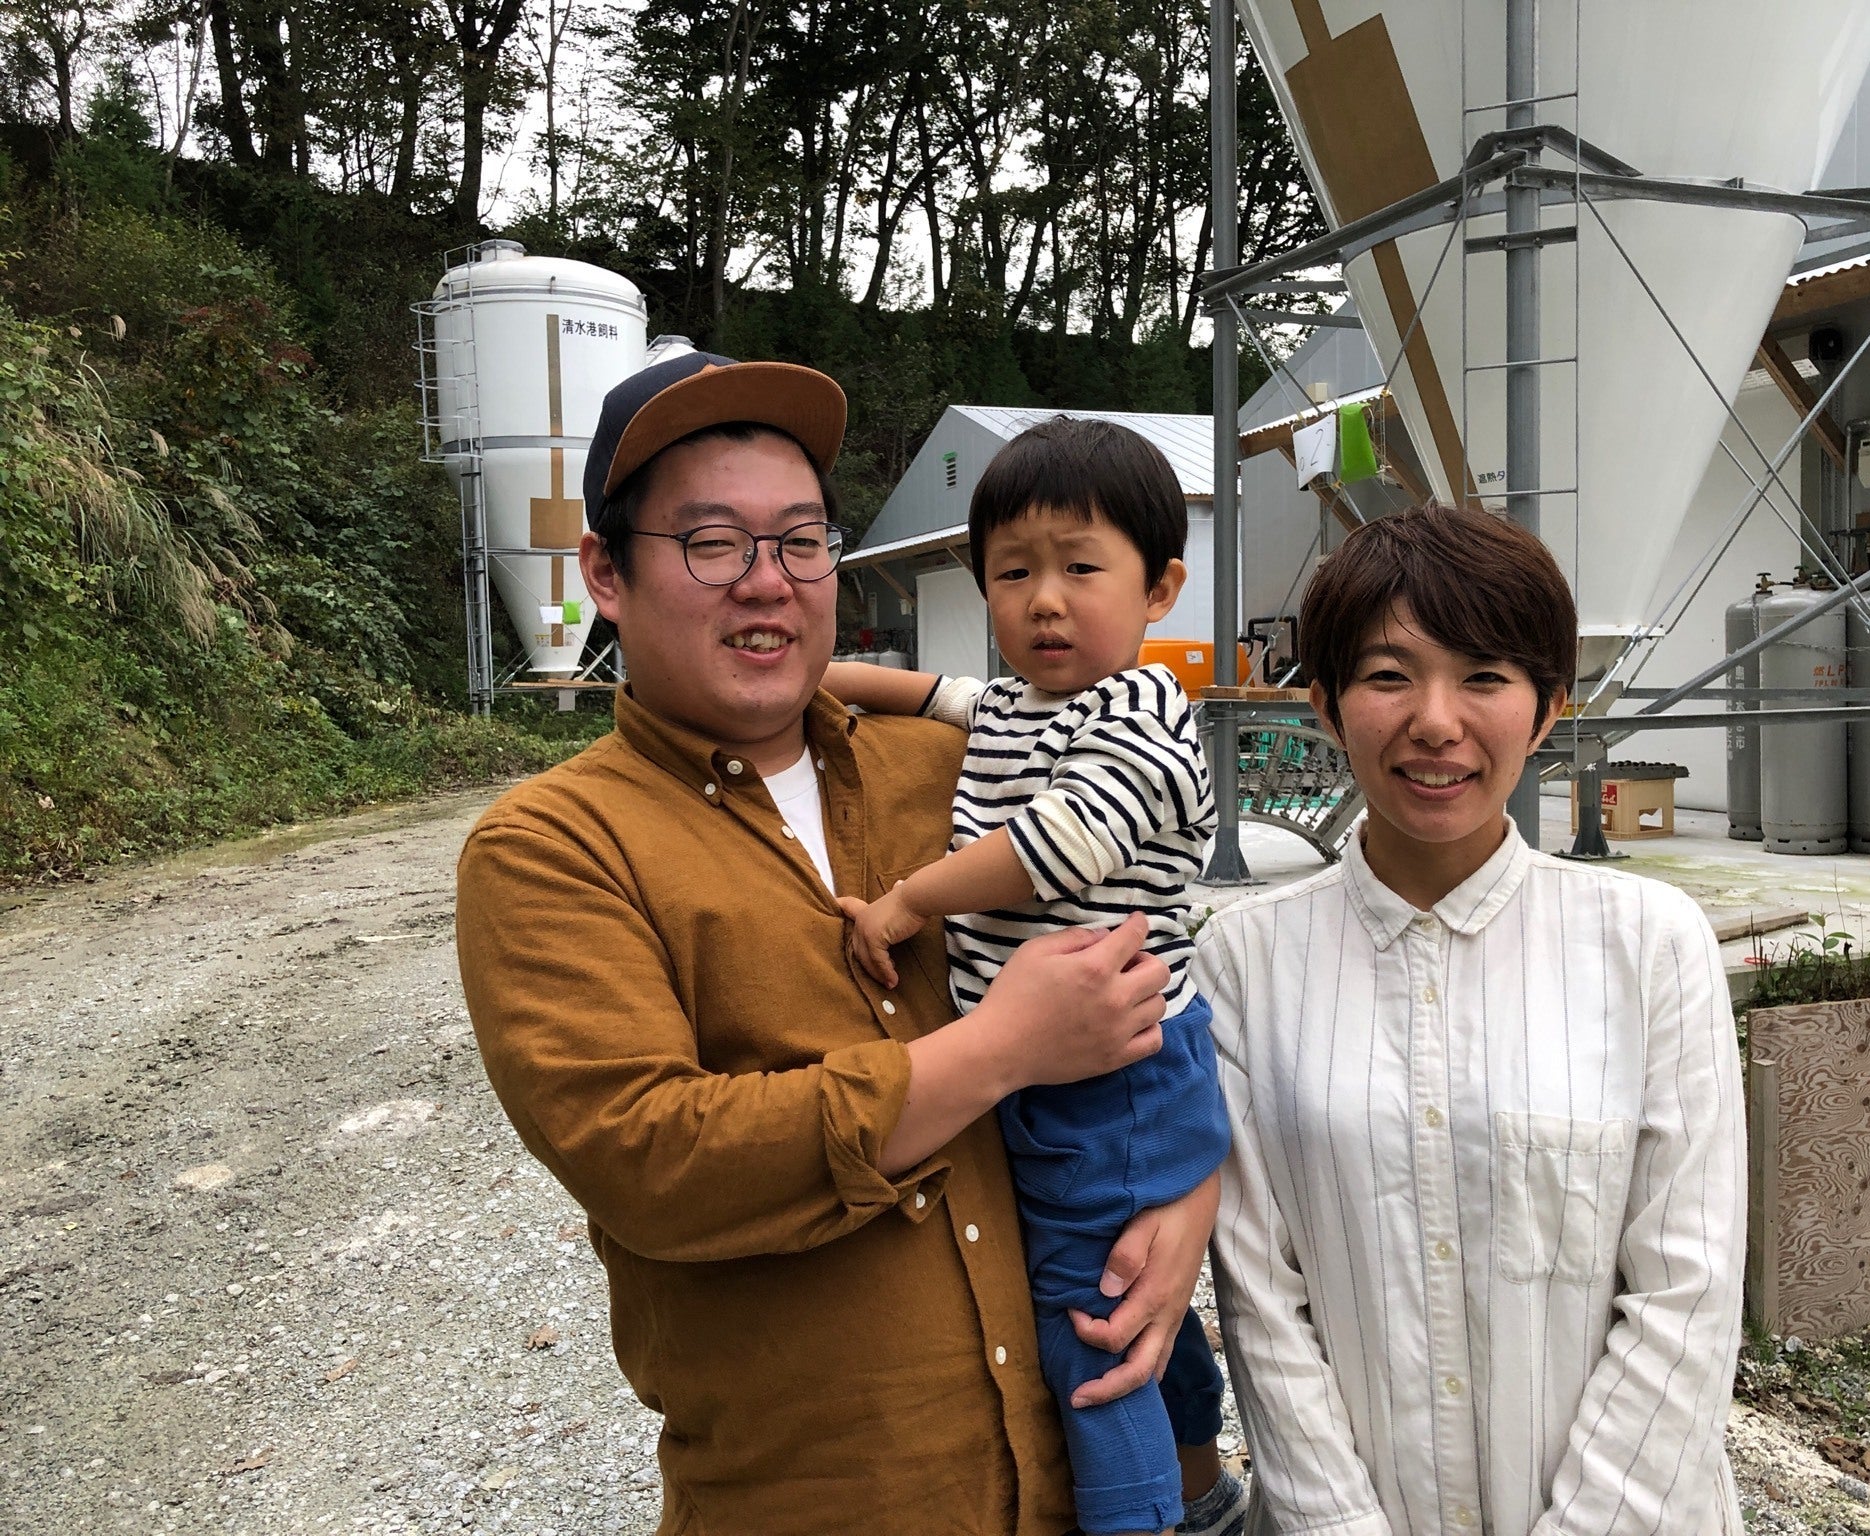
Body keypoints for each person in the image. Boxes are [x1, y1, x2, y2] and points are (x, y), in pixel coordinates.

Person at [454, 350, 1222, 1536]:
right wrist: (997, 1051)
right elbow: (649, 1158)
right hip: (823, 1503)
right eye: (713, 543)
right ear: (604, 572)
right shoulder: (555, 847)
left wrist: (1191, 1193)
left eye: (800, 541)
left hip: (1066, 1487)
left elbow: (1158, 954)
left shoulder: (960, 764)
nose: (767, 583)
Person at [1195, 504, 1746, 1536]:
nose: (1436, 722)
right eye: (1388, 675)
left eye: (1484, 676)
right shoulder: (1245, 960)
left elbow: (1687, 1290)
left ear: (1546, 711)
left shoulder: (1650, 944)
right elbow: (1260, 1300)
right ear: (1325, 706)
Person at [828, 417, 1247, 1536]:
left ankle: (1138, 1515)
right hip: (1070, 1066)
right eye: (1012, 573)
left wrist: (910, 898)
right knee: (1133, 1289)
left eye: (1078, 569)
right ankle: (1202, 1488)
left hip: (1116, 1077)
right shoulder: (1013, 706)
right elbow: (924, 693)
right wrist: (807, 680)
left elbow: (1053, 848)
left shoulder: (1143, 720)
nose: (1044, 601)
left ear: (1159, 590)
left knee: (1086, 1318)